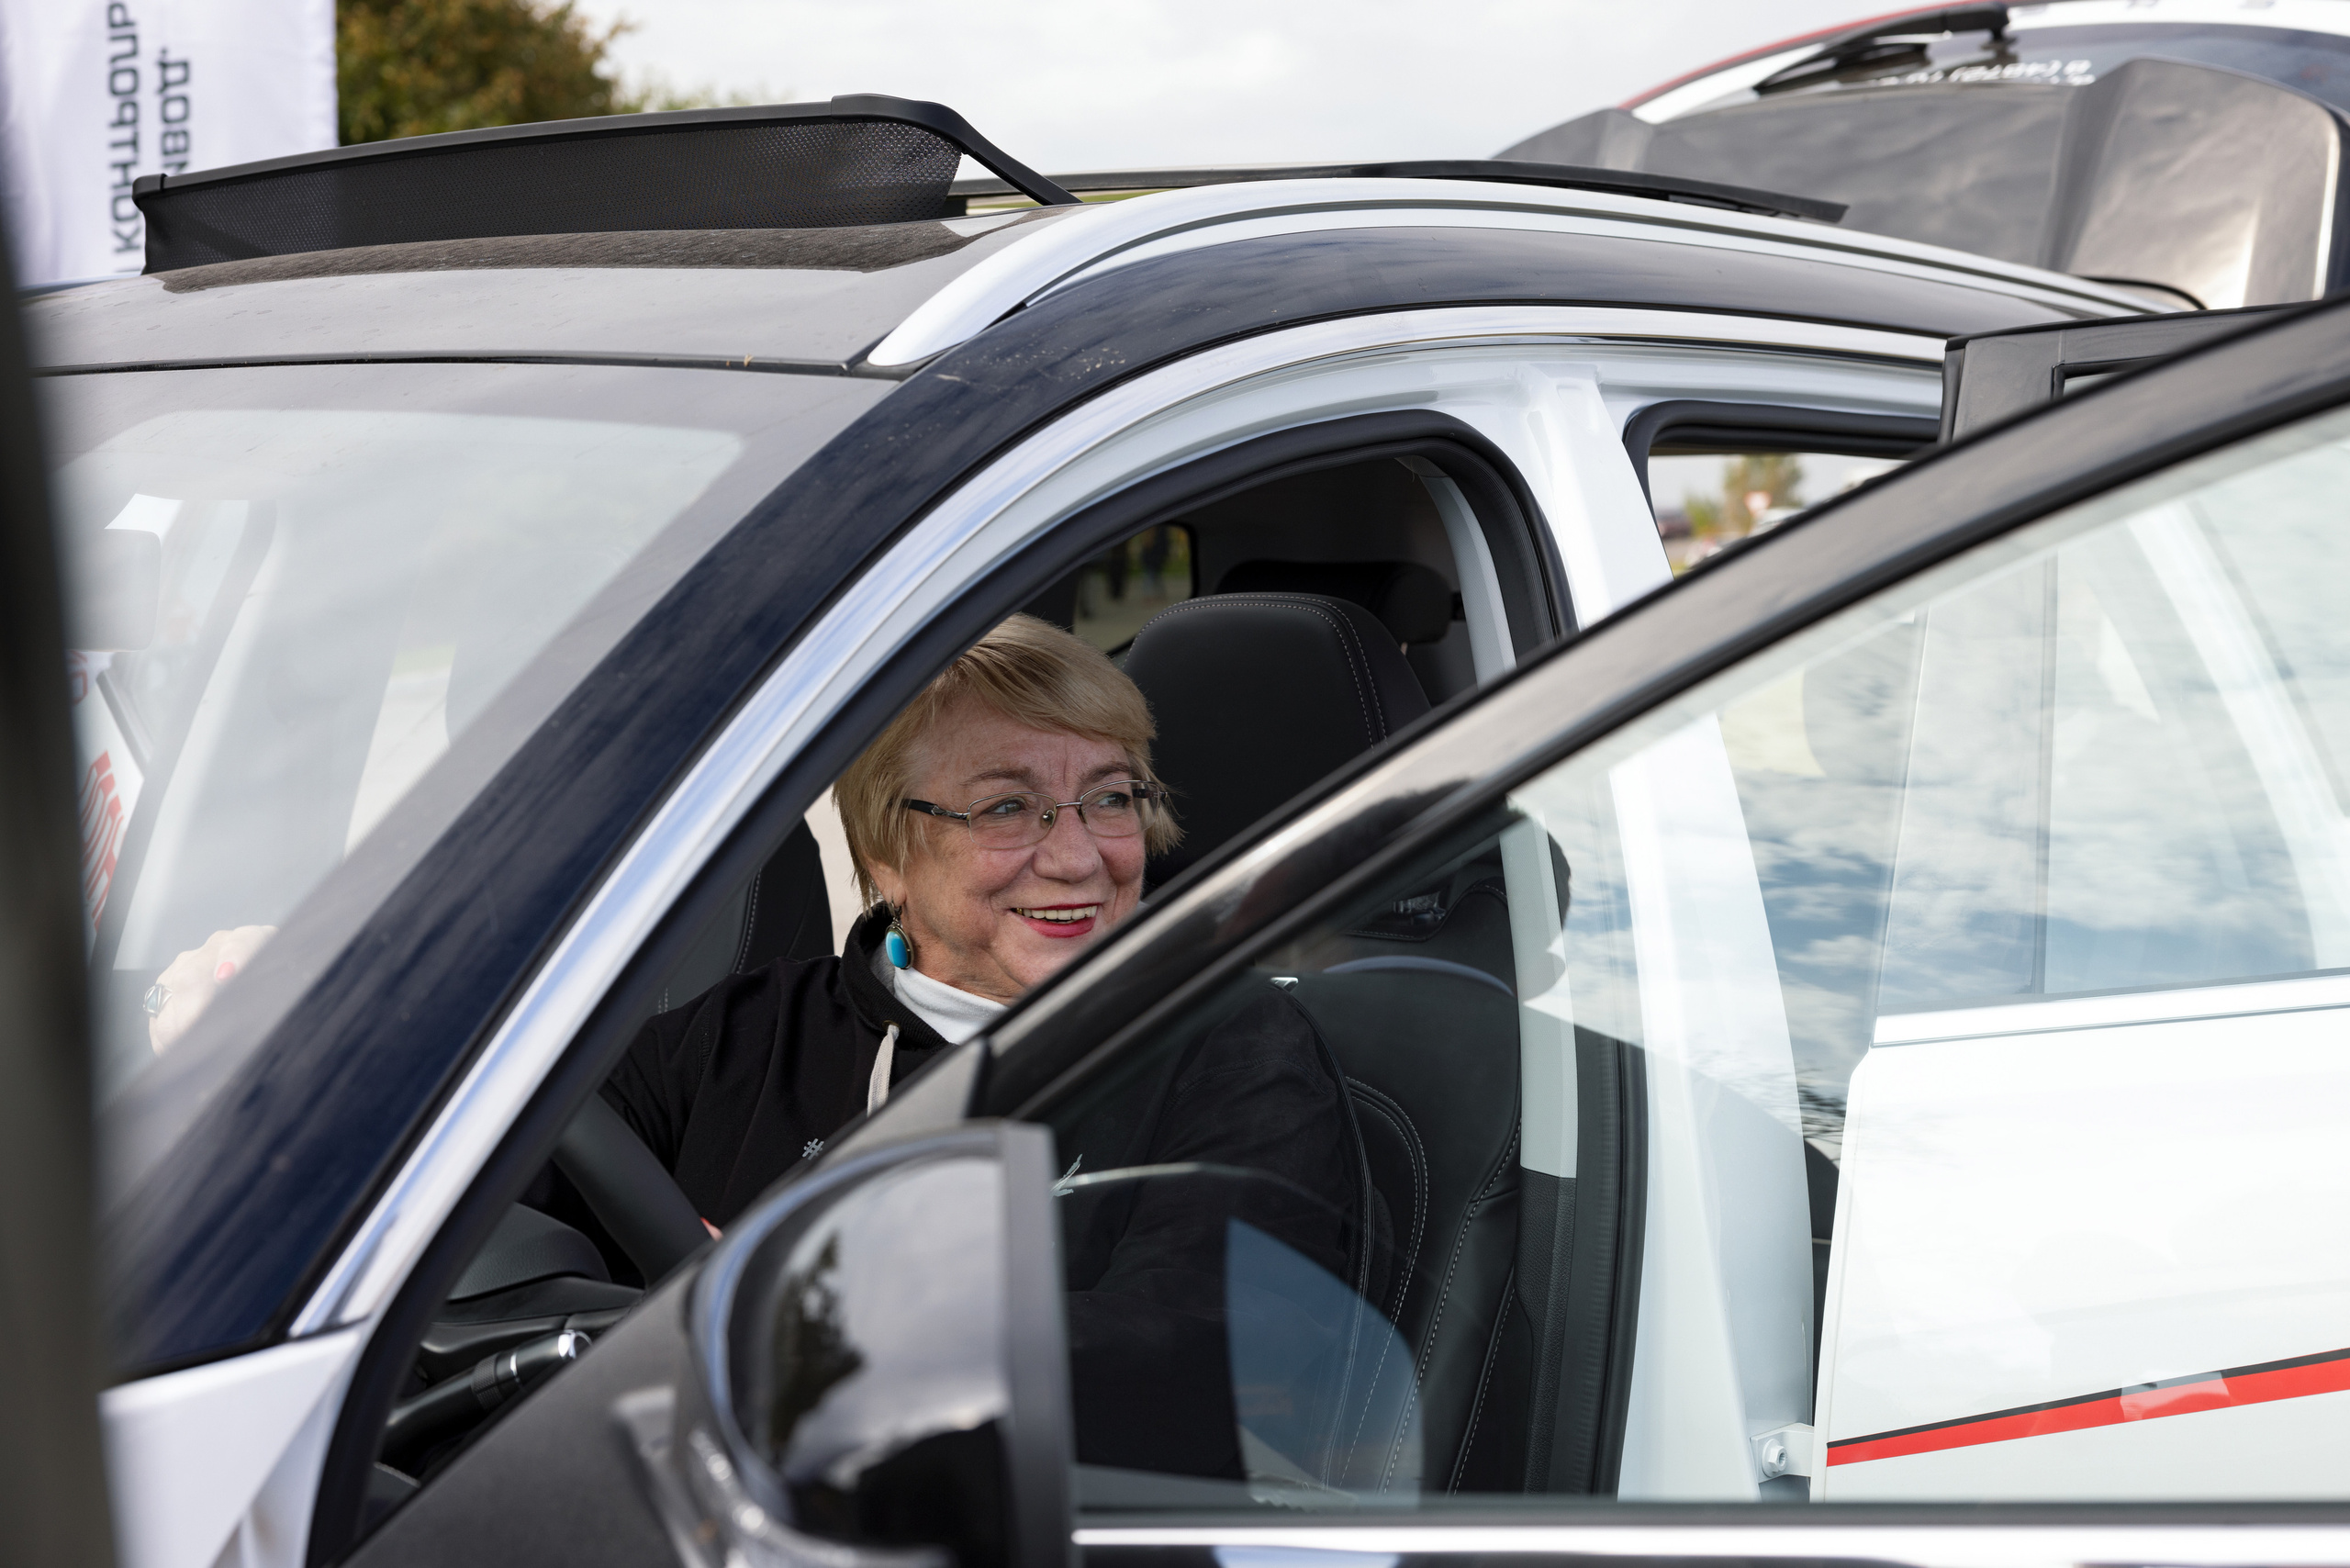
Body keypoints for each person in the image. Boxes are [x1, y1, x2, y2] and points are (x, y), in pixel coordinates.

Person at [604, 615, 1379, 1479]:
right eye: (1008, 807)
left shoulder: (1229, 1047)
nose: (1080, 857)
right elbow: (503, 1224)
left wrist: (801, 1316)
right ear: (886, 852)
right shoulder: (739, 1034)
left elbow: (1207, 1364)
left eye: (1112, 797)